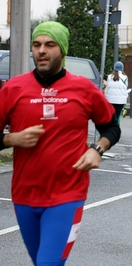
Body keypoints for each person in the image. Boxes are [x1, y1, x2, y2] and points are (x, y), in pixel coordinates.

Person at [0, 21, 121, 265]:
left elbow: (111, 127)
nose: (41, 50)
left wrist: (97, 149)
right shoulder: (13, 88)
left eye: (49, 44)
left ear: (62, 49)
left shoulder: (84, 89)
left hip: (67, 196)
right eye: (36, 45)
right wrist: (12, 138)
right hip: (24, 196)